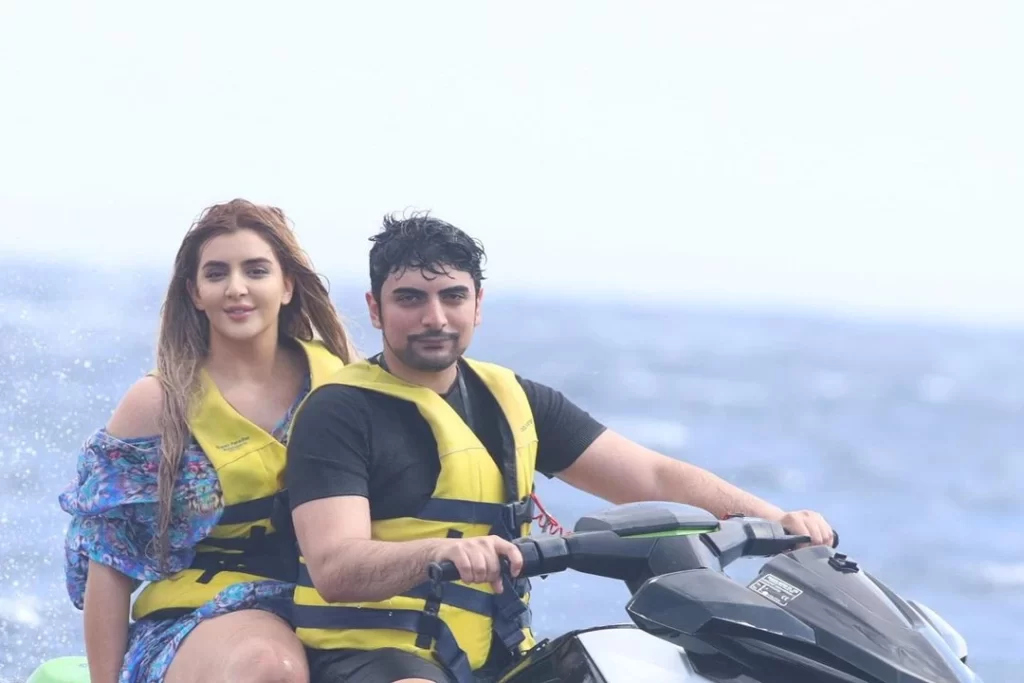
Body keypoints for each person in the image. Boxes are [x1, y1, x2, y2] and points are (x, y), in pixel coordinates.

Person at [284, 213, 836, 683]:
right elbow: (335, 566)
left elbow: (653, 476)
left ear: (477, 305)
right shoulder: (339, 412)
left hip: (497, 656)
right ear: (375, 309)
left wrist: (778, 522)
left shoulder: (515, 400)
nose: (435, 317)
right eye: (411, 299)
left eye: (453, 296)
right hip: (373, 656)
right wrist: (439, 552)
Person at [58, 199, 359, 683]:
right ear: (195, 293)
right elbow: (108, 566)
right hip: (199, 622)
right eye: (216, 274)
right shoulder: (158, 404)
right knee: (270, 667)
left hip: (338, 615)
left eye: (256, 270)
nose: (236, 288)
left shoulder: (348, 388)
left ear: (287, 285)